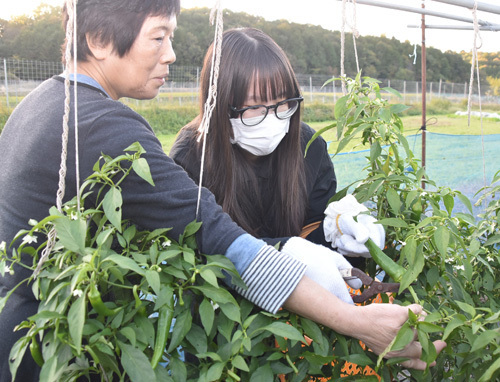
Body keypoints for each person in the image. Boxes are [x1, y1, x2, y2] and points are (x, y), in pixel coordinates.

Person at [0, 2, 445, 381]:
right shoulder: (107, 127)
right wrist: (354, 321)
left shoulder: (40, 104)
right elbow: (220, 242)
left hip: (31, 338)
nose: (171, 54)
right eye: (158, 37)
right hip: (53, 352)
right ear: (97, 39)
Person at [170, 28, 384, 269]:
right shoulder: (191, 157)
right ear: (219, 105)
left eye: (282, 102)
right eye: (254, 106)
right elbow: (200, 251)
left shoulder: (307, 147)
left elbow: (316, 228)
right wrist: (290, 250)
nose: (273, 118)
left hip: (304, 291)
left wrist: (342, 231)